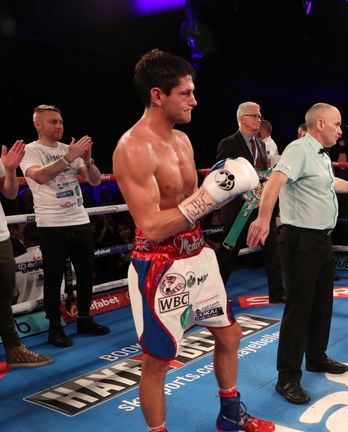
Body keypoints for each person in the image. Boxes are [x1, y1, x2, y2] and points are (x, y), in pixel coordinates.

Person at [112, 49, 274, 432]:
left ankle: (230, 415)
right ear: (157, 95)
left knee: (230, 333)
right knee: (158, 359)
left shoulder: (183, 141)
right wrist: (208, 196)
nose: (194, 100)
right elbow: (151, 226)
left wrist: (223, 191)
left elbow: (193, 202)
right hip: (159, 264)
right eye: (185, 93)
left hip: (197, 252)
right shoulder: (132, 149)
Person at [247, 103, 348, 404]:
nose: (341, 131)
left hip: (322, 240)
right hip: (300, 240)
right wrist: (263, 219)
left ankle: (315, 357)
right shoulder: (299, 150)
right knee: (298, 309)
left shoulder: (320, 156)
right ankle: (287, 378)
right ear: (321, 123)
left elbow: (327, 184)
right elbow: (274, 181)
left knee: (322, 304)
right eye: (337, 125)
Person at [20, 105, 110, 347]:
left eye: (60, 121)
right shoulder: (31, 150)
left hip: (79, 219)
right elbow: (39, 176)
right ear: (38, 124)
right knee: (53, 278)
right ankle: (55, 327)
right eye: (53, 122)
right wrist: (70, 156)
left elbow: (95, 181)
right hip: (51, 223)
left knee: (85, 273)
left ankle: (84, 318)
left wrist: (87, 159)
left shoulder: (68, 149)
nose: (59, 126)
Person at [216, 102, 284, 304]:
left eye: (260, 115)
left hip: (262, 207)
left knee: (273, 249)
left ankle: (277, 293)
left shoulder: (262, 144)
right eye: (255, 115)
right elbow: (223, 176)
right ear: (242, 118)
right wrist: (242, 193)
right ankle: (215, 297)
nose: (259, 119)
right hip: (239, 209)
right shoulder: (228, 143)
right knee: (228, 254)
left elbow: (265, 174)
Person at [1, 140, 52, 368]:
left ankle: (14, 349)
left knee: (4, 292)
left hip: (0, 235)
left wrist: (10, 169)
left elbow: (10, 193)